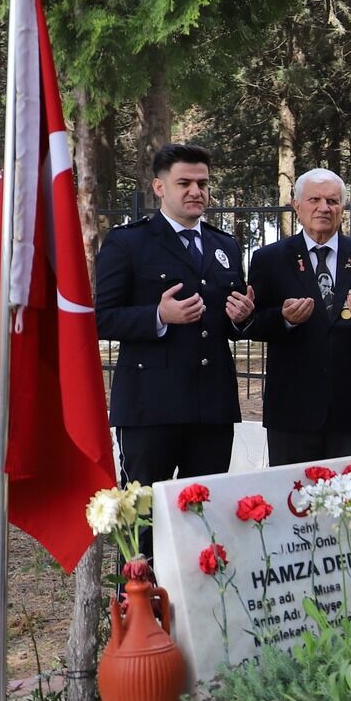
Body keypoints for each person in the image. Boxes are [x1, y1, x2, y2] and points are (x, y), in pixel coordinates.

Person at [95, 142, 254, 491]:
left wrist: (242, 317)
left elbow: (227, 321)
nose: (196, 192)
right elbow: (102, 318)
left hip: (212, 405)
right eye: (185, 183)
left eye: (203, 183)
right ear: (159, 187)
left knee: (204, 516)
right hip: (151, 405)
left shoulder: (224, 245)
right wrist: (158, 315)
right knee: (145, 517)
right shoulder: (128, 243)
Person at [245, 168, 351, 466]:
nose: (324, 208)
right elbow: (252, 323)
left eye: (332, 200)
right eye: (314, 199)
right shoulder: (269, 259)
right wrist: (284, 319)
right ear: (296, 205)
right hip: (291, 410)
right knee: (291, 504)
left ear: (343, 207)